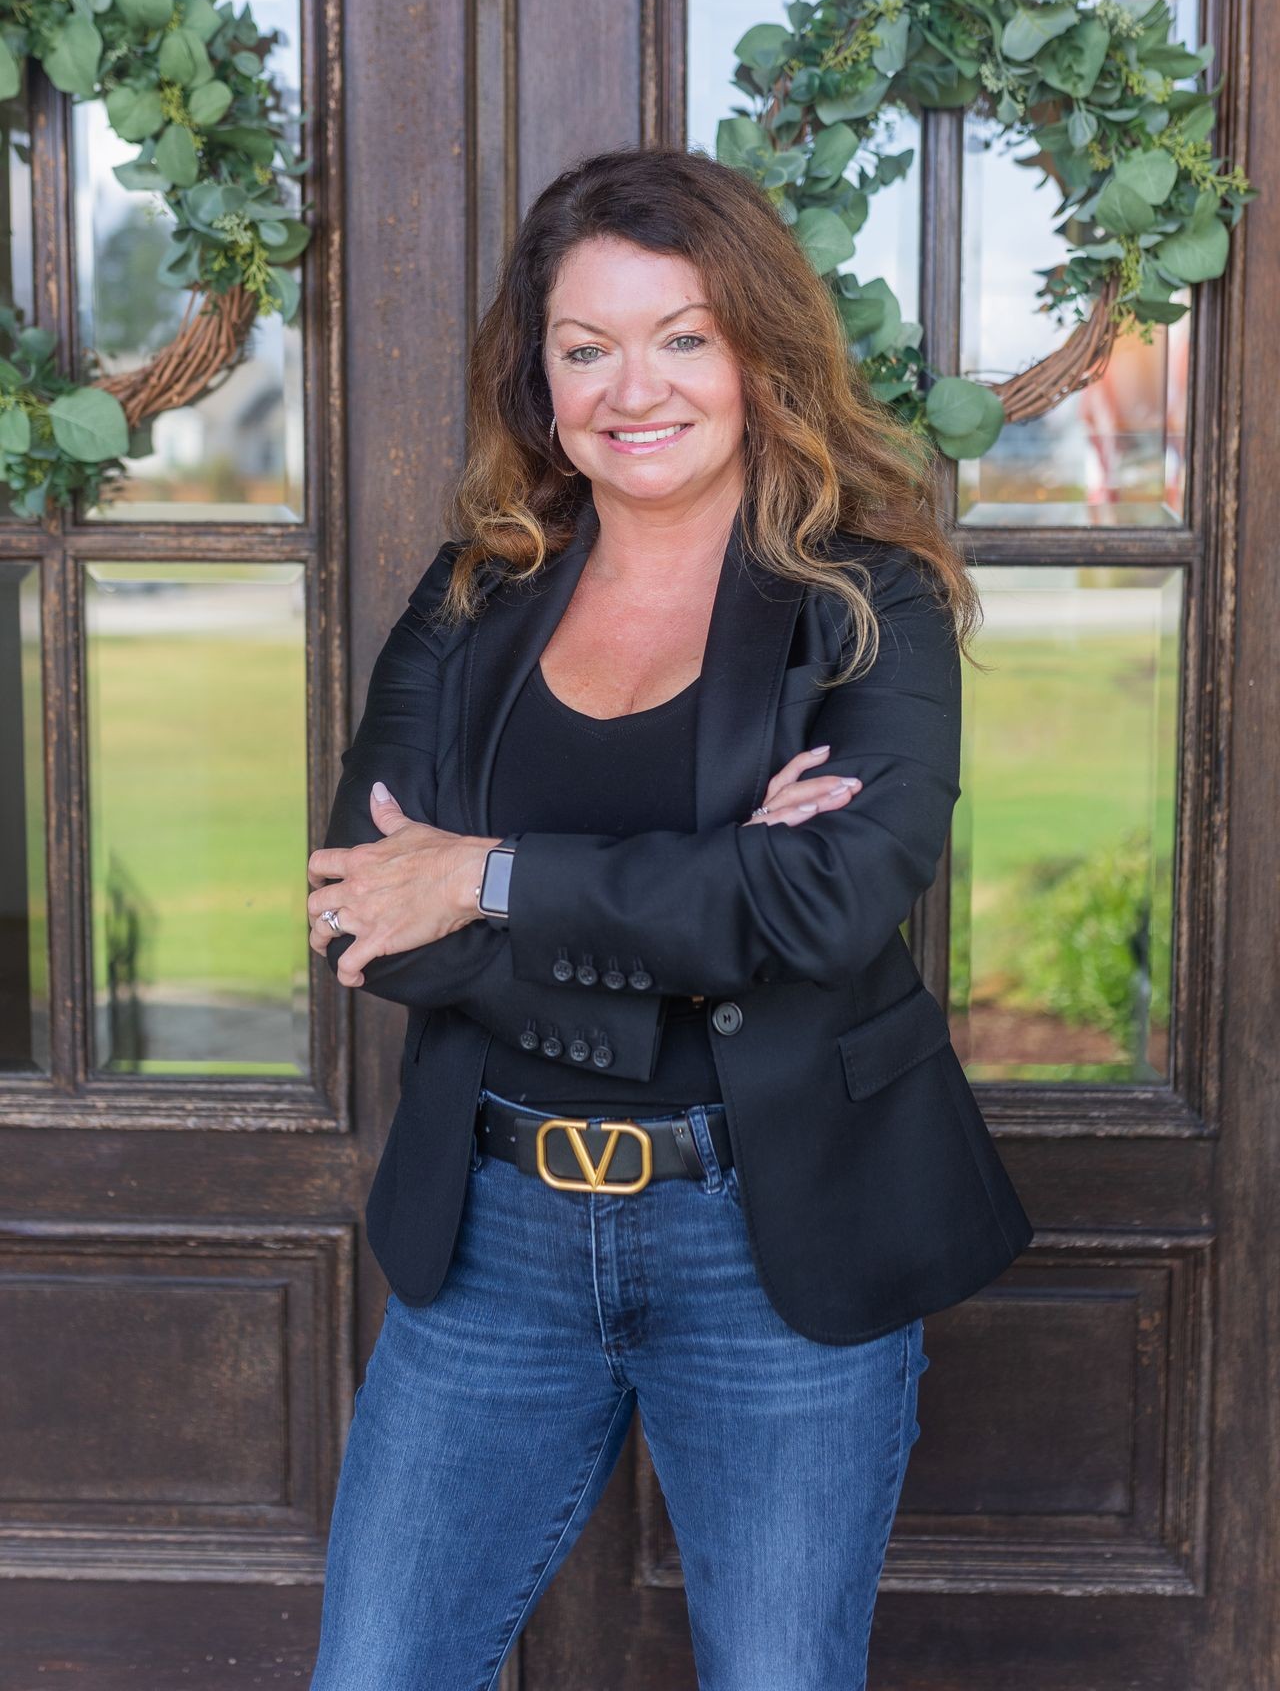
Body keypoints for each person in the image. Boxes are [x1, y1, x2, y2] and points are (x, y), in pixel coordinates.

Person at [305, 143, 1034, 1691]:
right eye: (586, 347)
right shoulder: (474, 592)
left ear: (759, 351)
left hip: (772, 1238)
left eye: (681, 335)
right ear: (542, 380)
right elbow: (367, 907)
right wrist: (709, 899)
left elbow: (831, 902)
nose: (633, 386)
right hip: (493, 1235)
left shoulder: (866, 602)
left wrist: (494, 870)